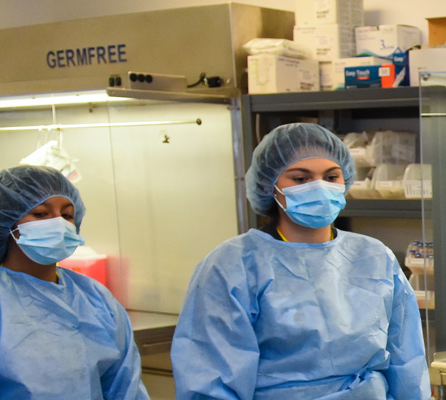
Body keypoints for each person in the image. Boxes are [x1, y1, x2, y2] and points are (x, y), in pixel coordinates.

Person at [171, 123, 430, 399]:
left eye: (331, 177)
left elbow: (407, 362)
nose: (319, 187)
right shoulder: (234, 266)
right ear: (270, 185)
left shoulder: (375, 257)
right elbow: (211, 381)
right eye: (300, 179)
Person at [0, 165, 149, 399]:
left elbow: (125, 387)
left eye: (67, 215)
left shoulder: (96, 299)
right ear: (4, 222)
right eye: (40, 214)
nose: (58, 224)